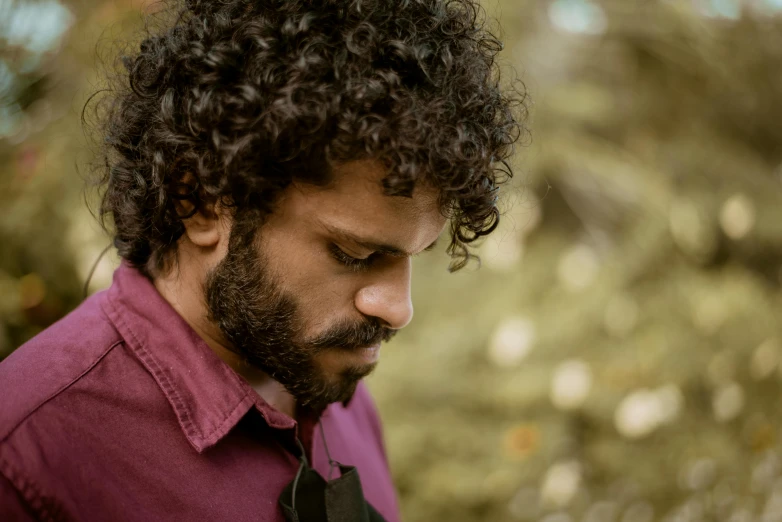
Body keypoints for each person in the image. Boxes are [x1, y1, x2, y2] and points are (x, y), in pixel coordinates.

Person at [0, 0, 524, 520]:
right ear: (202, 201)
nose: (398, 308)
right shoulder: (28, 460)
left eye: (416, 256)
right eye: (354, 253)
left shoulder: (336, 391)